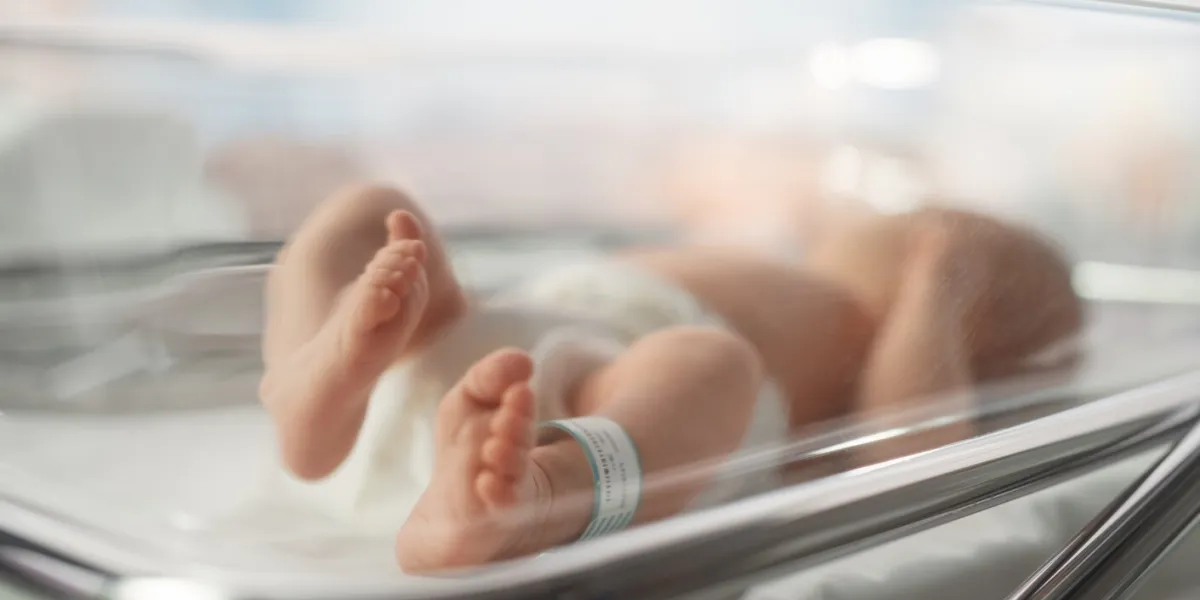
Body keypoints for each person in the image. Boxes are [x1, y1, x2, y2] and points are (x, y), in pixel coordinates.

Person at [257, 183, 1083, 573]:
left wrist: (936, 288)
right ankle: (314, 384)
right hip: (456, 349)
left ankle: (545, 491)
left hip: (582, 414)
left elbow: (911, 447)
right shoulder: (785, 269)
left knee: (710, 363)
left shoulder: (877, 333)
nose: (898, 223)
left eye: (918, 229)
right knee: (370, 212)